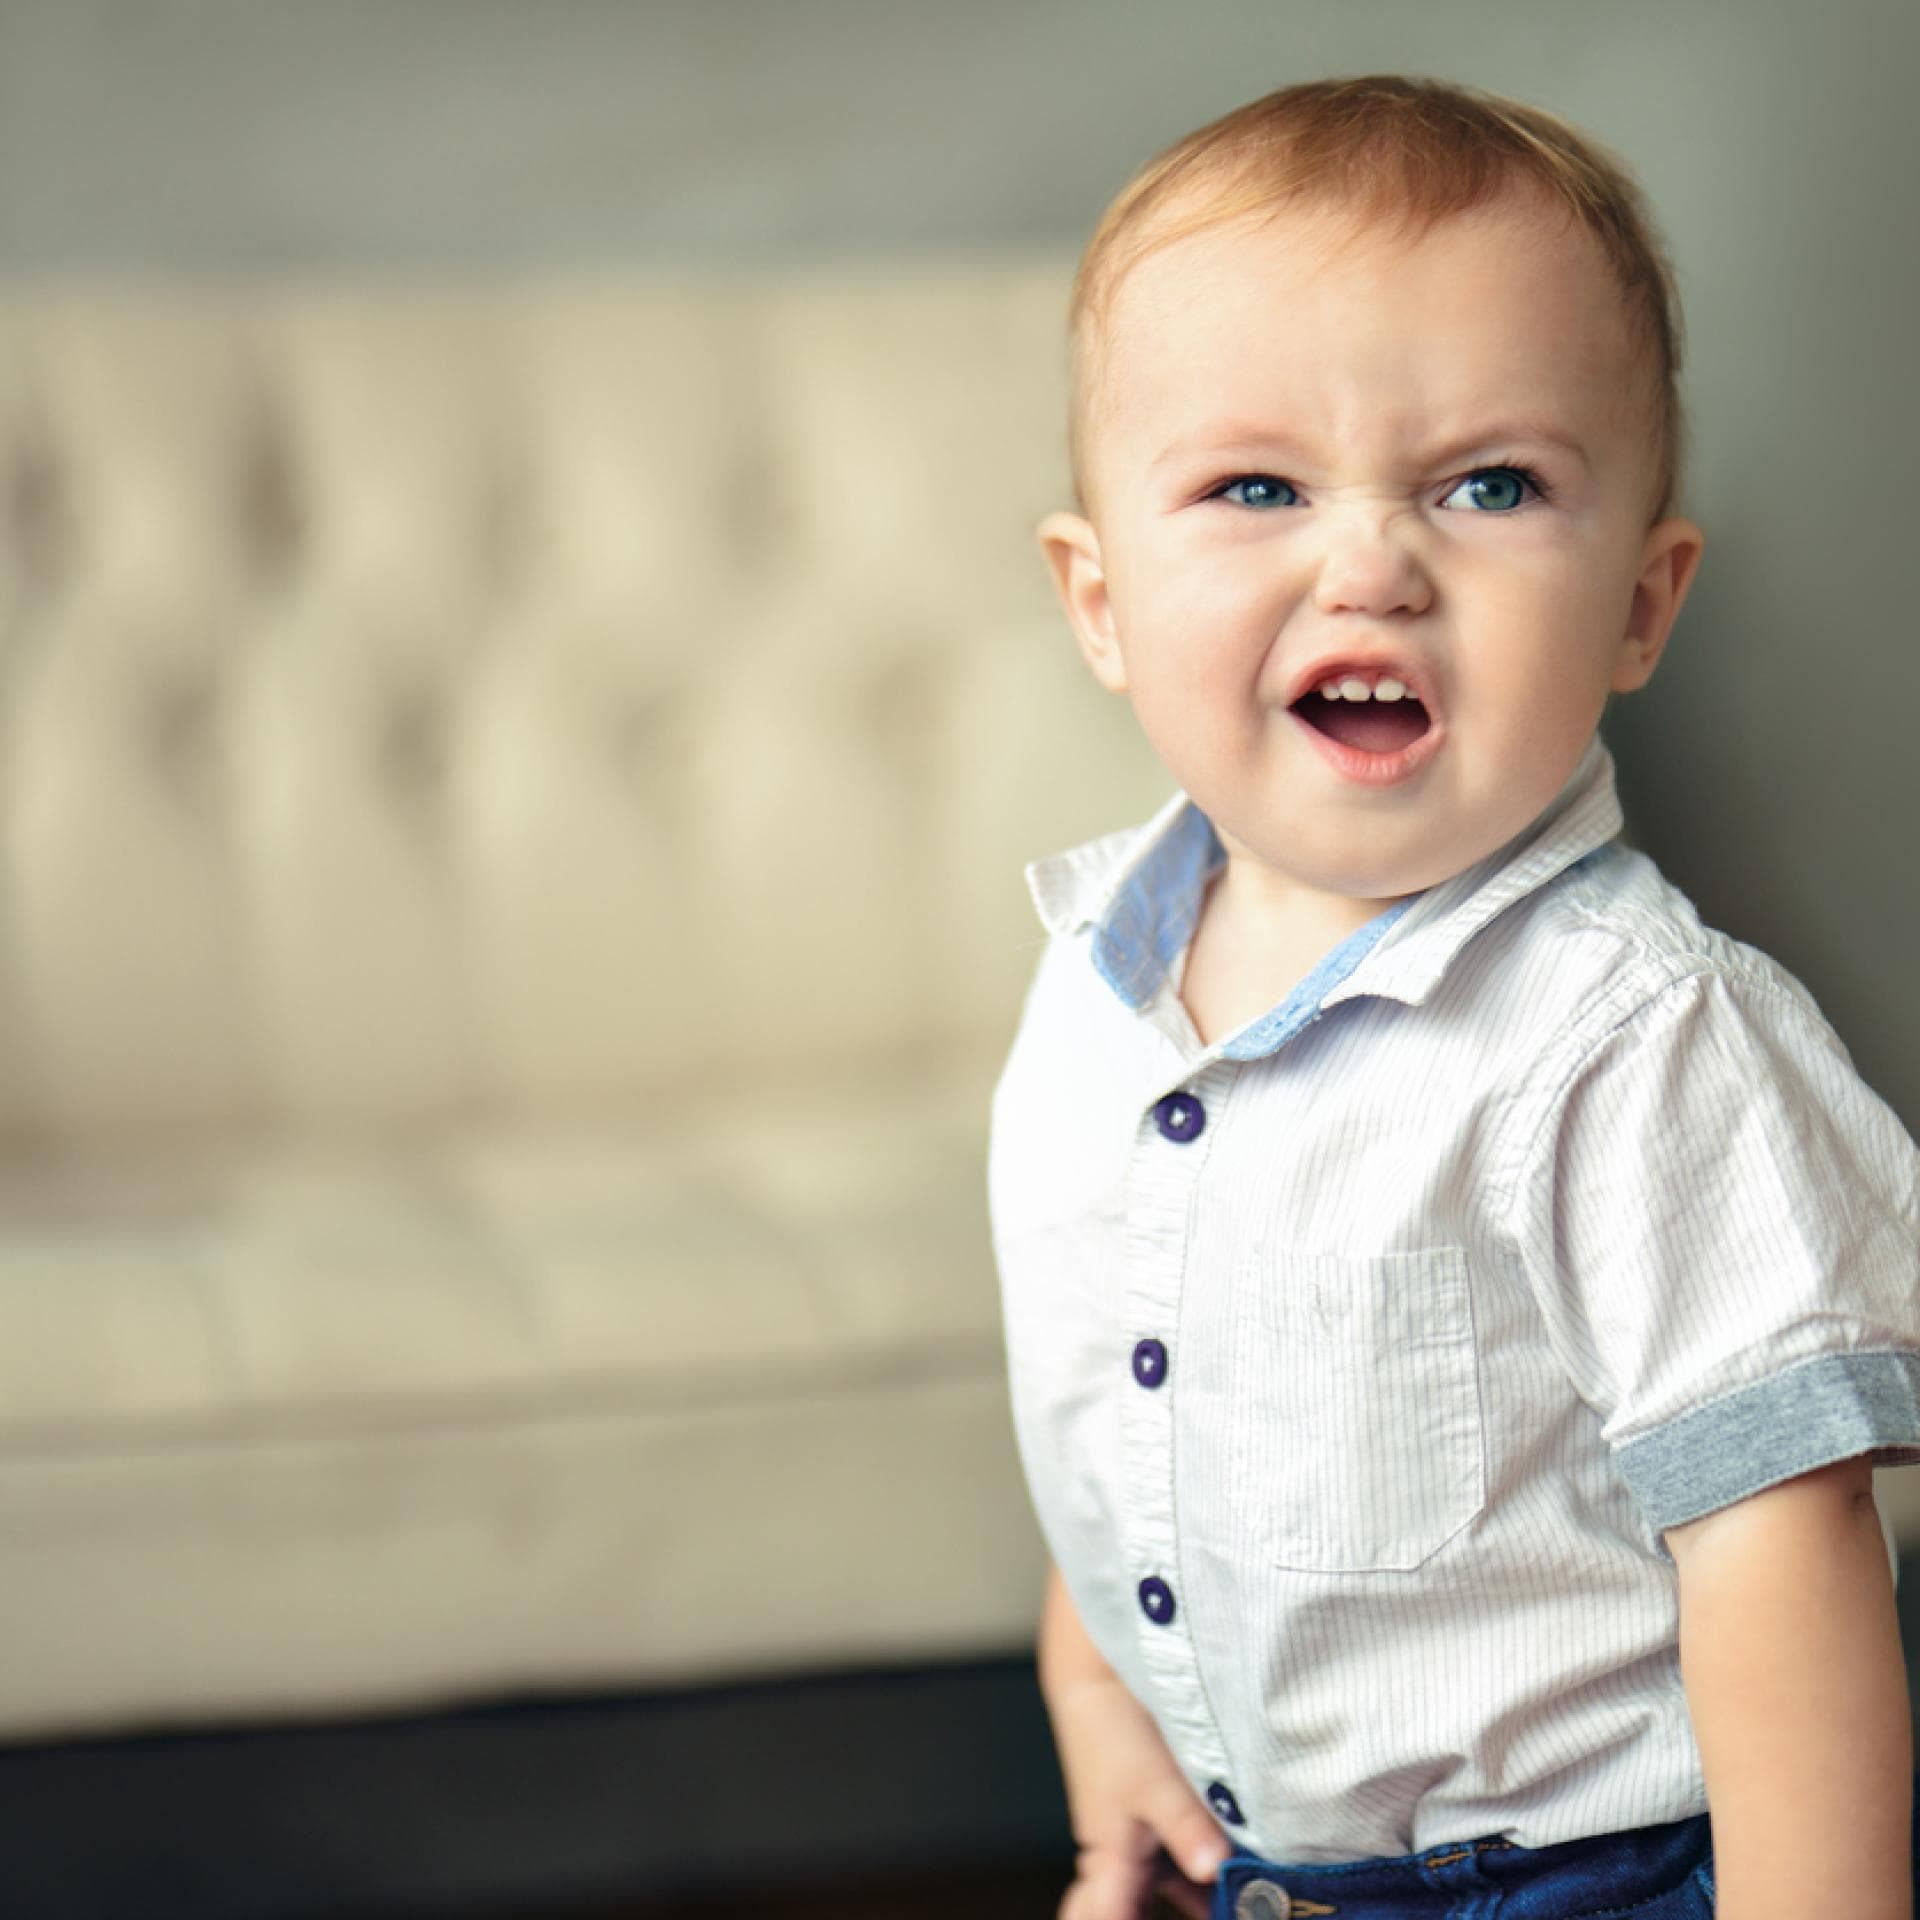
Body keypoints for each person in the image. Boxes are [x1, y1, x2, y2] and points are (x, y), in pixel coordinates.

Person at [988, 74, 1920, 1920]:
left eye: (1490, 485)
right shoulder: (1098, 983)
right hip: (1261, 1863)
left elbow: (1785, 1559)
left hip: (1593, 1877)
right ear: (1098, 601)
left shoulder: (1643, 1044)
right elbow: (1133, 1377)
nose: (1371, 562)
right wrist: (1098, 1689)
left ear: (1644, 606)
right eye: (1256, 486)